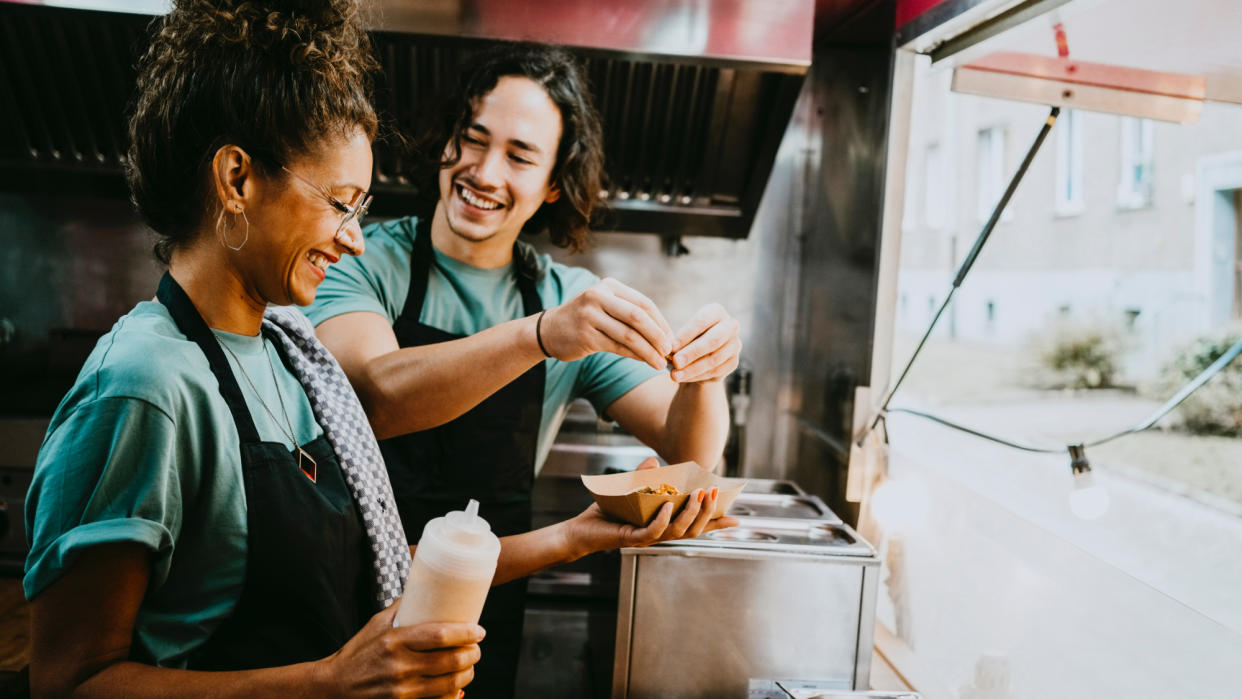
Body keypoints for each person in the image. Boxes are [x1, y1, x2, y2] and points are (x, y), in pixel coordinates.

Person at [23, 4, 731, 698]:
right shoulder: (147, 384)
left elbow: (378, 562)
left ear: (552, 184)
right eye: (339, 202)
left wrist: (579, 533)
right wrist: (331, 681)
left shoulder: (289, 355)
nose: (354, 236)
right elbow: (70, 679)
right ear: (237, 179)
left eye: (359, 210)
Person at [308, 42, 743, 696]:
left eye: (519, 156)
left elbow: (691, 452)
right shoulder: (366, 259)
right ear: (445, 143)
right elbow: (375, 395)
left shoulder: (566, 296)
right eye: (472, 139)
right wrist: (540, 336)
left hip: (485, 613)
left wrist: (707, 373)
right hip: (343, 606)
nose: (484, 171)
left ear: (553, 187)